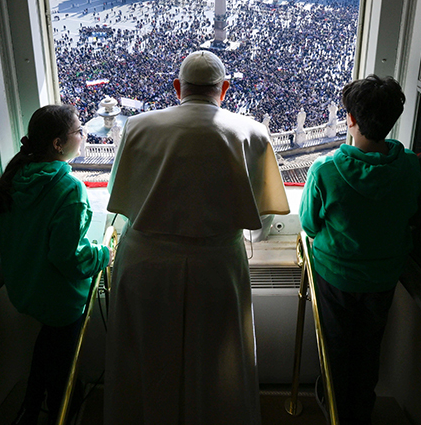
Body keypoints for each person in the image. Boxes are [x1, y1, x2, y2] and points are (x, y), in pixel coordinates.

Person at [104, 50, 290, 424]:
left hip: (145, 266)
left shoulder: (138, 126)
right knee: (216, 366)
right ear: (224, 88)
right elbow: (264, 220)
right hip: (215, 267)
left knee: (146, 362)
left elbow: (119, 201)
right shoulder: (251, 131)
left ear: (177, 88)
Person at [300, 75, 421, 425]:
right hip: (384, 276)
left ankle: (335, 412)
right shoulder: (411, 165)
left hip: (334, 275)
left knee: (335, 347)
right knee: (369, 348)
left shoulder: (326, 169)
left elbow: (309, 224)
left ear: (350, 119)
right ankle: (361, 414)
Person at [0, 105, 111, 425]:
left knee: (47, 347)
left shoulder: (14, 177)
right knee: (65, 371)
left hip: (25, 288)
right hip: (60, 298)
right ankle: (61, 413)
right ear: (58, 144)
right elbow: (68, 257)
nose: (84, 136)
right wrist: (102, 254)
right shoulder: (68, 187)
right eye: (79, 131)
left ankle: (31, 408)